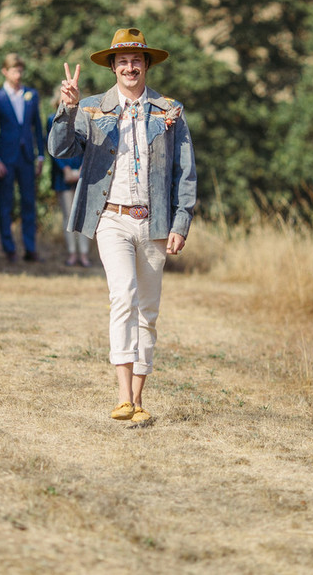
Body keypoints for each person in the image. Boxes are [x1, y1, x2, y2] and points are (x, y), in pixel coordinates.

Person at [48, 27, 196, 424]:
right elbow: (60, 150)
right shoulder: (93, 108)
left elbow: (186, 173)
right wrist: (68, 109)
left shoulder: (170, 110)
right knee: (123, 296)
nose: (129, 66)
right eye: (122, 60)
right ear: (112, 67)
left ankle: (139, 400)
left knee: (147, 310)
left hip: (155, 222)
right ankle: (121, 396)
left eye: (136, 60)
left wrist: (182, 220)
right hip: (111, 218)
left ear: (146, 65)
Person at [0, 53, 44, 262]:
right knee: (6, 204)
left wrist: (40, 157)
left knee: (29, 202)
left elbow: (37, 127)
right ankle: (9, 248)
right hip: (6, 158)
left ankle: (30, 248)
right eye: (14, 70)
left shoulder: (31, 95)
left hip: (27, 157)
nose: (18, 74)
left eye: (20, 70)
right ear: (5, 71)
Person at [47, 94, 92, 268]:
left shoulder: (85, 118)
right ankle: (72, 253)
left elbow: (90, 144)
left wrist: (81, 169)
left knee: (84, 215)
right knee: (68, 215)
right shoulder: (52, 119)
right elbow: (51, 145)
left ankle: (84, 254)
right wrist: (65, 169)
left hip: (83, 173)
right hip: (62, 174)